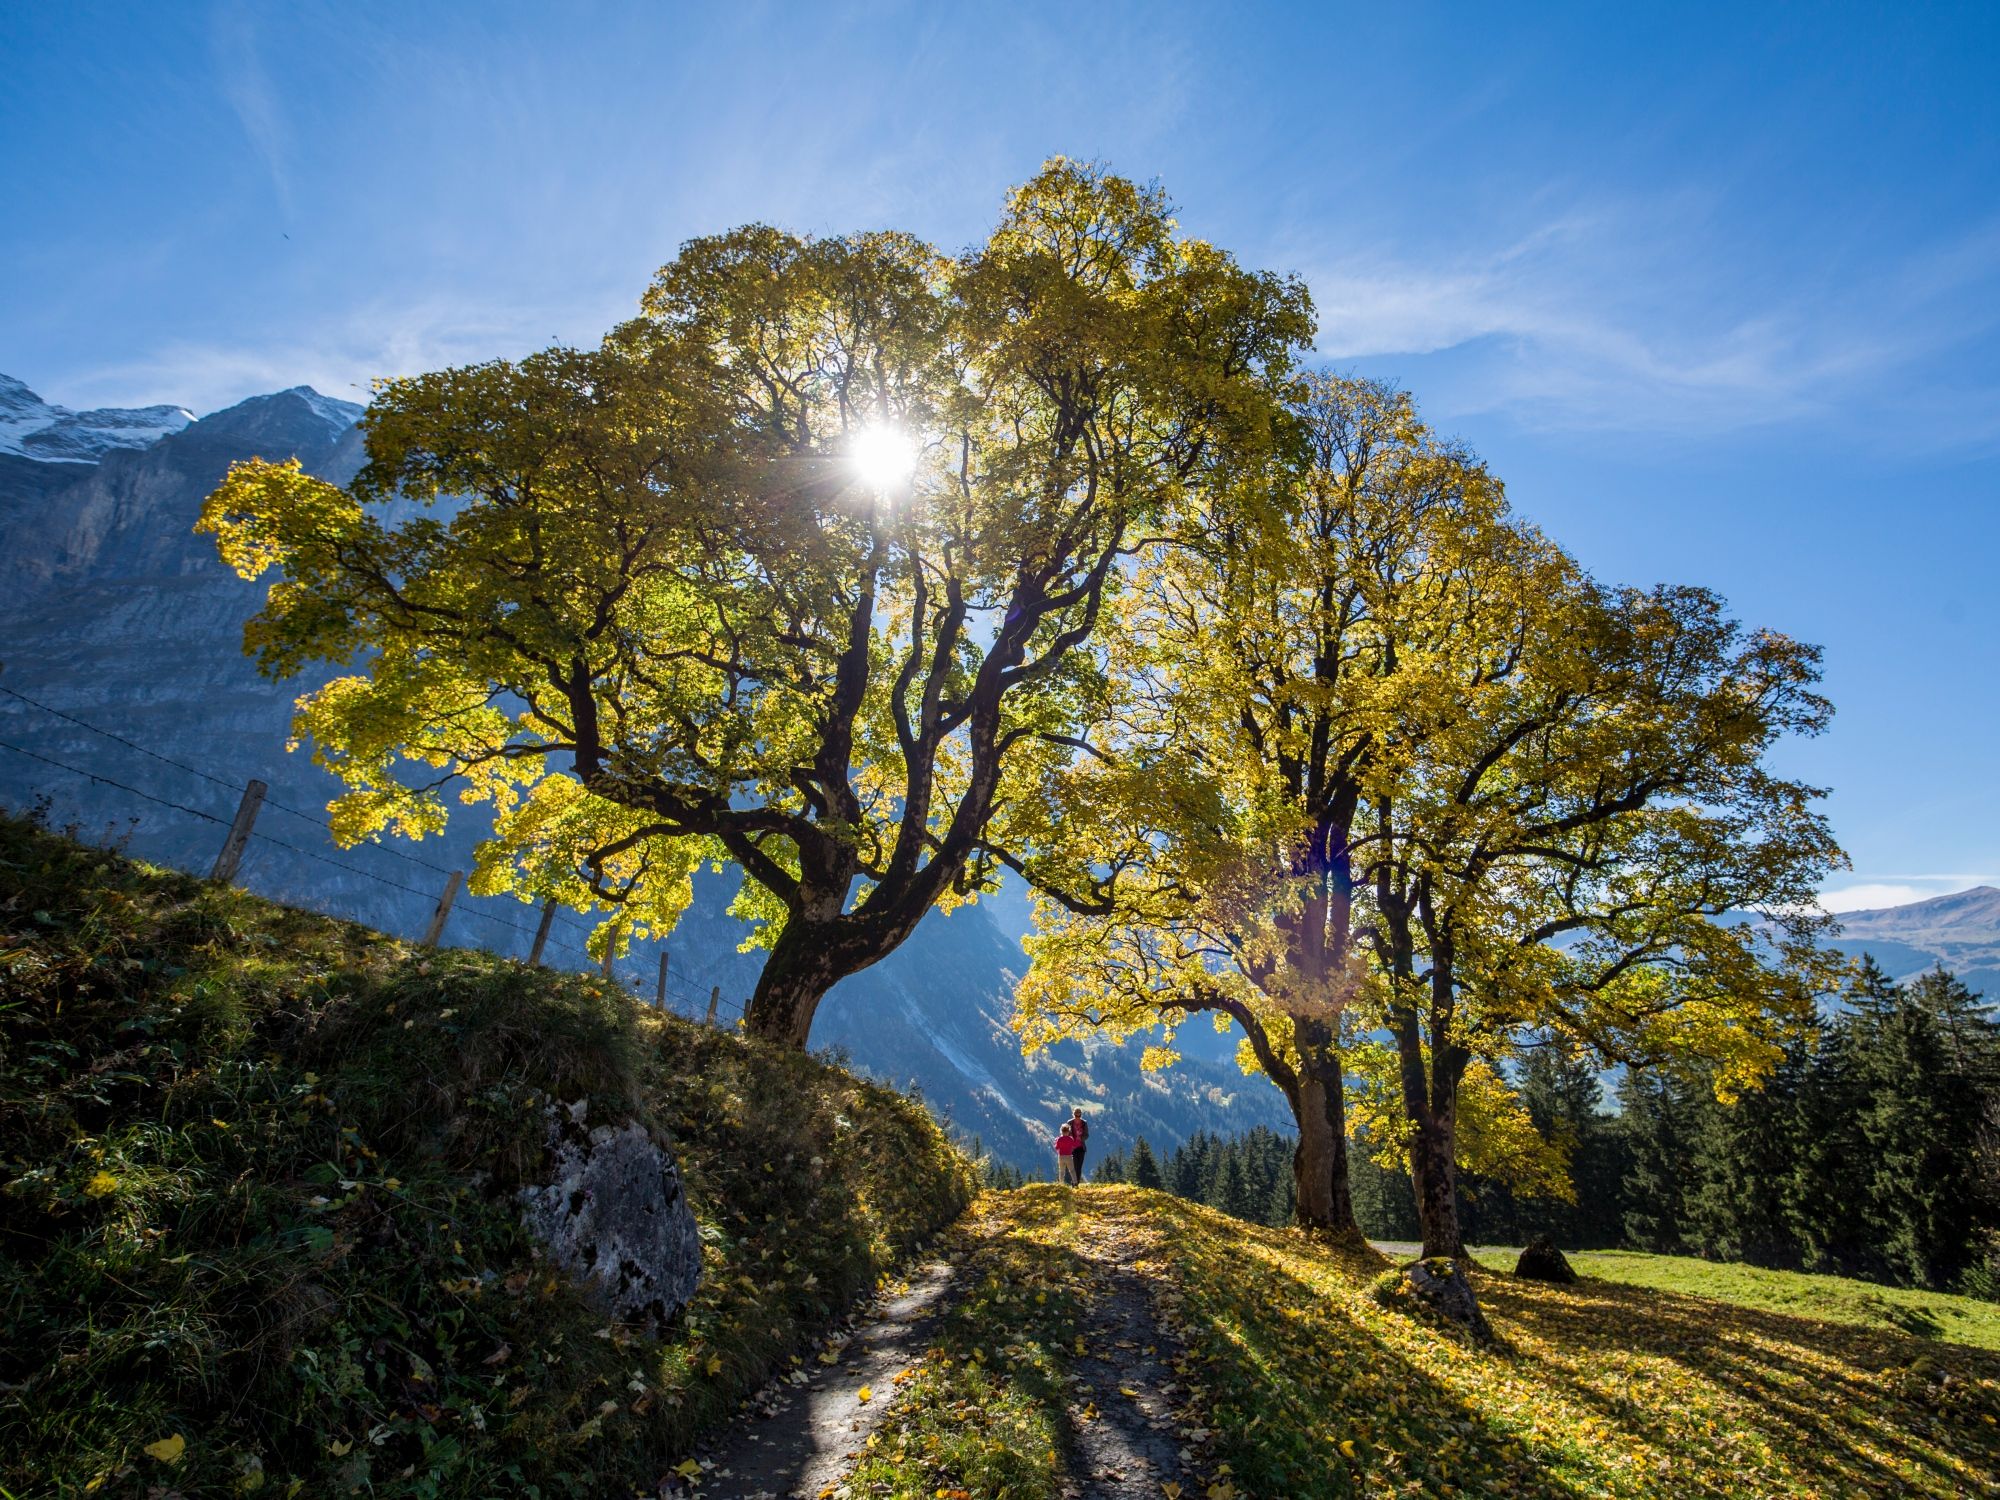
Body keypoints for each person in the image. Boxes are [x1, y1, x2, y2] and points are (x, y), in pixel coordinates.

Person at [1068, 1106, 1090, 1182]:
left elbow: (1087, 1135)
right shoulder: (1070, 1122)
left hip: (1081, 1148)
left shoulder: (1084, 1123)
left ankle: (1076, 1183)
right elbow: (1067, 1134)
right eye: (1076, 1115)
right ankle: (1074, 1182)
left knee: (1079, 1167)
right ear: (1073, 1114)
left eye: (1079, 1115)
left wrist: (1081, 1138)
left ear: (1081, 1115)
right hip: (1073, 1148)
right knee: (1074, 1166)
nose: (1077, 1117)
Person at [1055, 1121, 1078, 1186]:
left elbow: (1056, 1147)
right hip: (1069, 1156)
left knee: (1061, 1171)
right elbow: (1074, 1145)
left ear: (1061, 1131)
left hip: (1061, 1156)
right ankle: (1075, 1182)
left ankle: (1061, 1184)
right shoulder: (1070, 1139)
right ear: (1068, 1131)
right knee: (1072, 1170)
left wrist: (1056, 1141)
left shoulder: (1059, 1139)